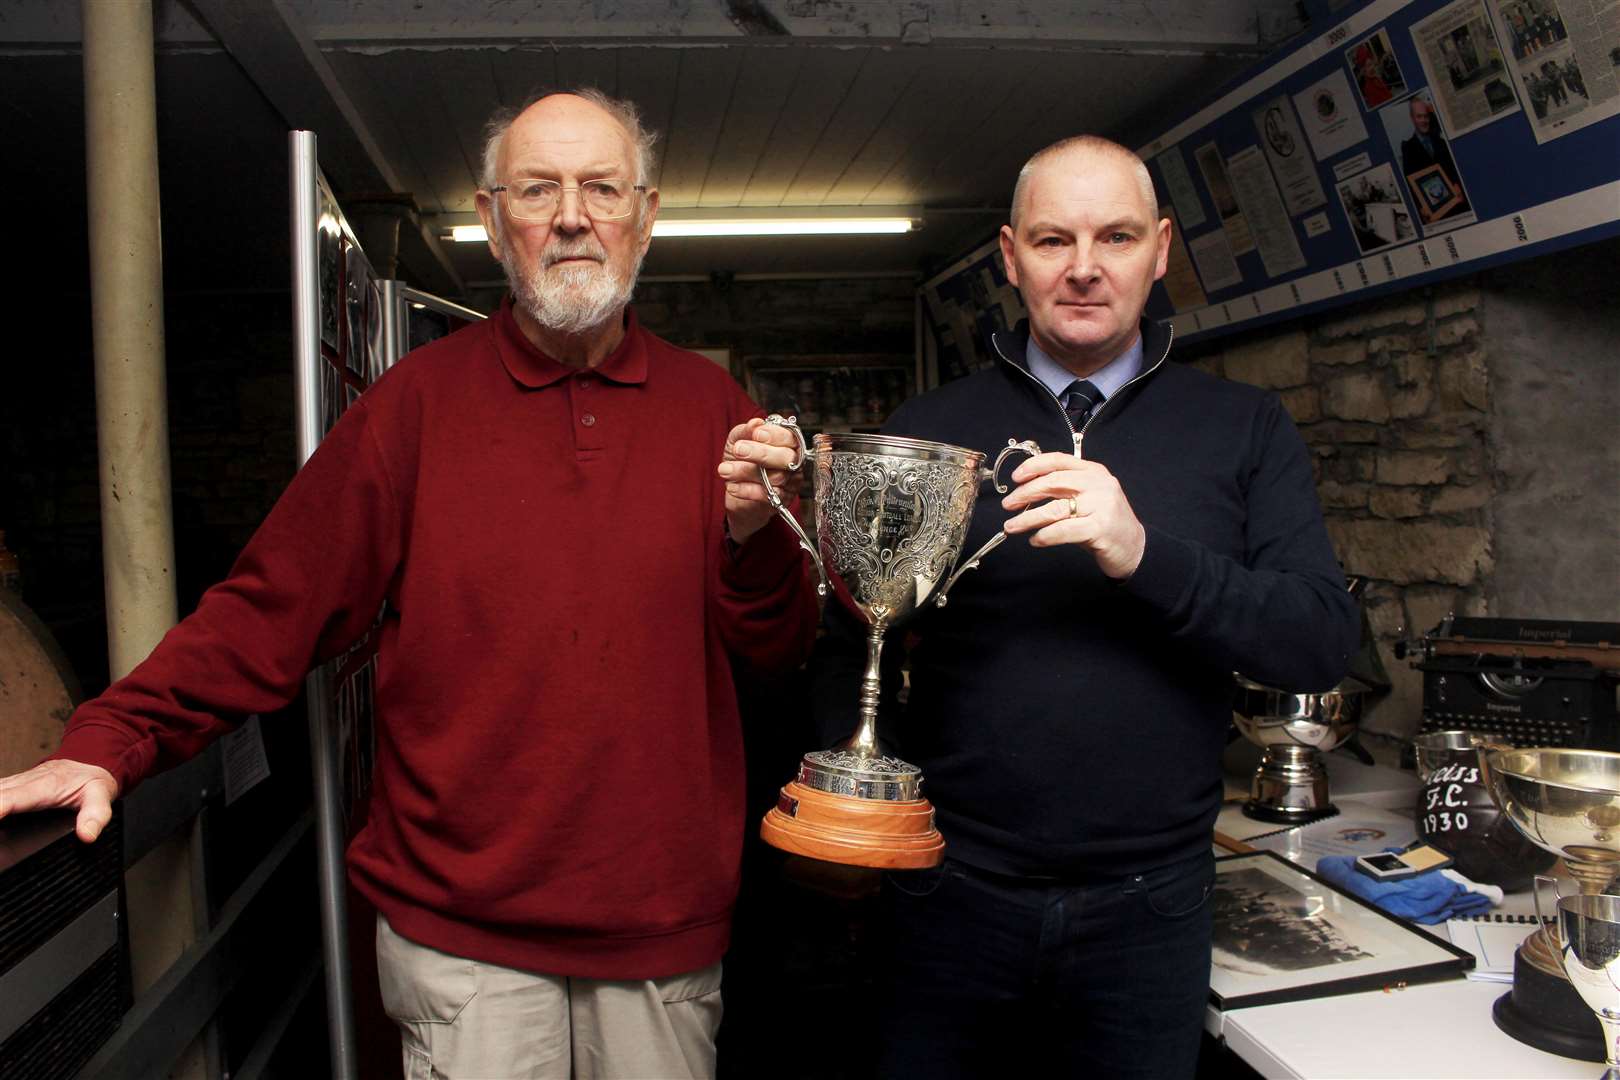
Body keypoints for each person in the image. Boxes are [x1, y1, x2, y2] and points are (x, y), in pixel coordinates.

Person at [0, 88, 818, 1079]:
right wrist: (112, 742)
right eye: (537, 189)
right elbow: (270, 611)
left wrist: (754, 538)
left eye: (602, 188)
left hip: (657, 935)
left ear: (644, 215)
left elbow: (776, 652)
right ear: (489, 217)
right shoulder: (414, 409)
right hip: (463, 944)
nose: (571, 215)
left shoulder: (712, 408)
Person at [812, 136, 1357, 1079]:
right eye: (1054, 240)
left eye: (1116, 237)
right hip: (948, 895)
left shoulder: (1244, 429)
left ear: (1161, 248)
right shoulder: (930, 433)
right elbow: (849, 642)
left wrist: (1144, 554)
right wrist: (863, 829)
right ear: (1010, 256)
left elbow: (1317, 643)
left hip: (1150, 913)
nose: (1085, 268)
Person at [1400, 96, 1470, 221]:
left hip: (1457, 204)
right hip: (1434, 212)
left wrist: (1458, 184)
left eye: (1426, 116)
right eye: (1419, 116)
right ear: (1412, 118)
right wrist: (1421, 207)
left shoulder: (1442, 142)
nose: (1423, 120)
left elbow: (1454, 169)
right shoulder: (1408, 148)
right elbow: (1410, 183)